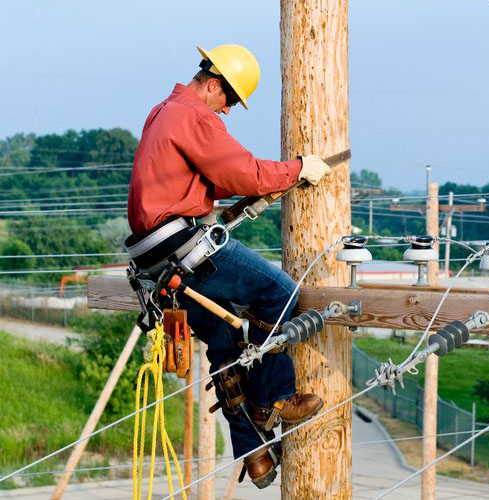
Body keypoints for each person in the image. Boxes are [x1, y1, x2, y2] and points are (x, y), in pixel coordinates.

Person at [126, 43, 331, 488]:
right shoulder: (193, 115)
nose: (229, 112)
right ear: (215, 85)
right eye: (231, 101)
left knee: (225, 341)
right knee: (281, 294)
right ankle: (271, 400)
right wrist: (297, 169)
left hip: (153, 262)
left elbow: (207, 182)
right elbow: (244, 172)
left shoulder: (162, 112)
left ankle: (255, 454)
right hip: (183, 246)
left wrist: (253, 193)